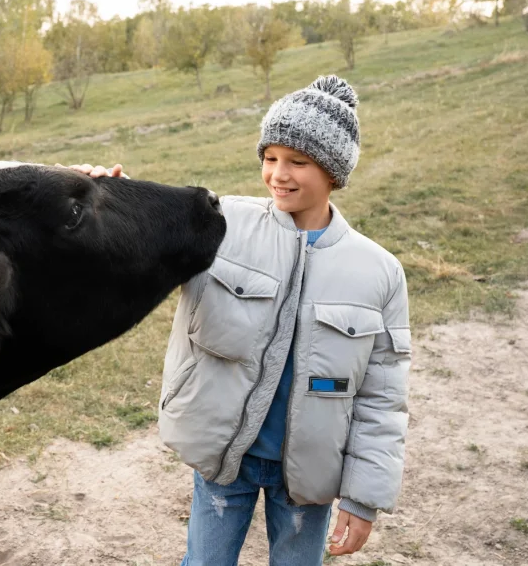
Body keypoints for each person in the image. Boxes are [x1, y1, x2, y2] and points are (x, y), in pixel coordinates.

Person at [68, 75, 411, 565]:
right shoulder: (219, 224)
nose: (278, 174)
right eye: (270, 158)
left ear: (334, 171)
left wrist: (363, 498)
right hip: (224, 458)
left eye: (298, 162)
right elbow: (134, 243)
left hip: (307, 476)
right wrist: (101, 198)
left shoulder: (379, 272)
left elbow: (383, 397)